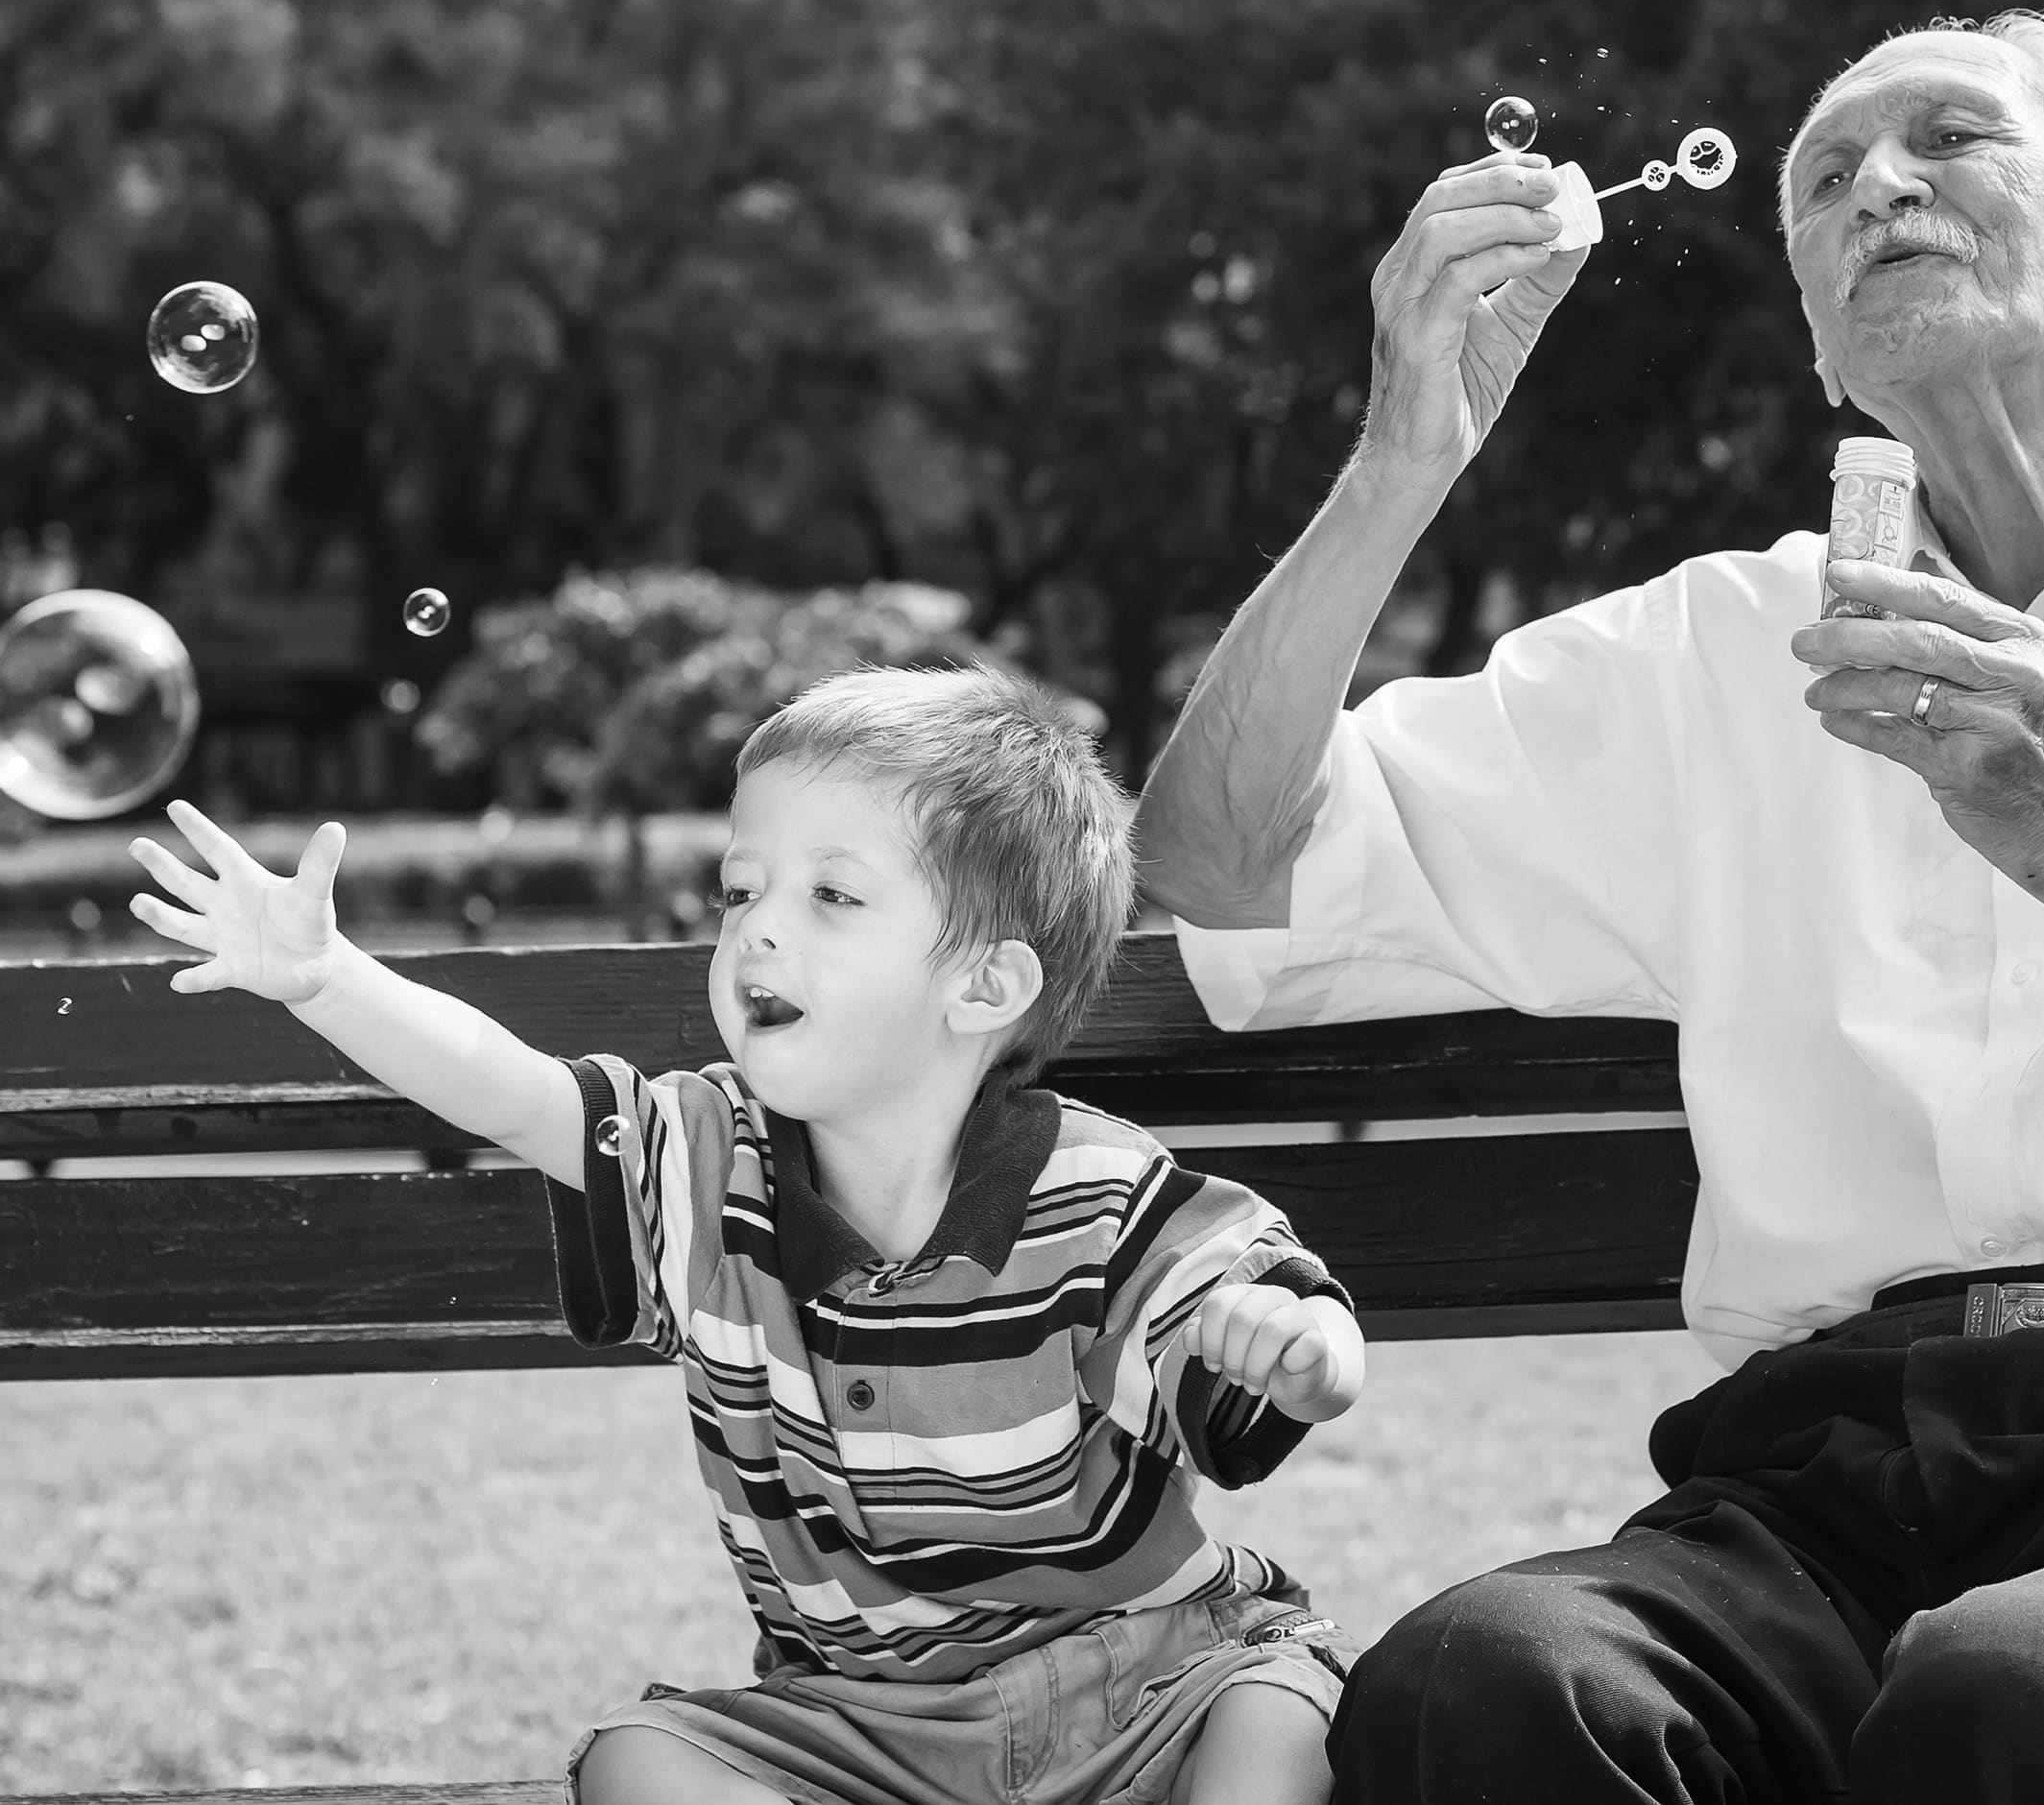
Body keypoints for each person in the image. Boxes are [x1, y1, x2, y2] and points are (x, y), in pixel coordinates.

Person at [1134, 10, 2044, 1803]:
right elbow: (1216, 861)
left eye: (1951, 139)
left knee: (2033, 1694)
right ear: (1822, 343)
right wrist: (1400, 459)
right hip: (1825, 1473)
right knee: (1481, 1681)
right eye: (1825, 179)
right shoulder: (1708, 650)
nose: (1877, 185)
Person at [129, 666, 1364, 1805]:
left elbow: (1248, 1302)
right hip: (861, 1724)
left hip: (1142, 1686)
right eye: (740, 887)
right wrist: (328, 974)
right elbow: (514, 1091)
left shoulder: (1093, 1190)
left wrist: (1300, 1345)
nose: (757, 926)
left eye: (831, 893)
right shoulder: (707, 1163)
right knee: (637, 1761)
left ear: (983, 988)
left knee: (1274, 1719)